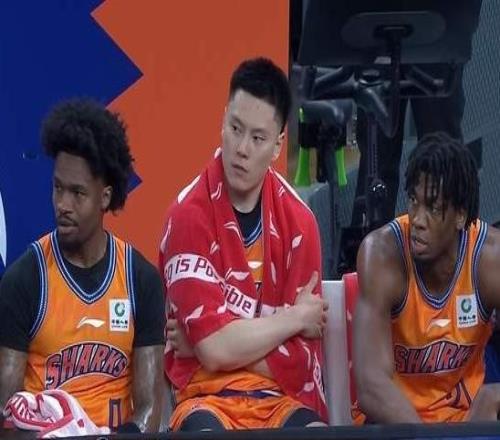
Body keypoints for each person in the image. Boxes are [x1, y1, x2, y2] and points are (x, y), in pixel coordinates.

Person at [159, 57, 328, 431]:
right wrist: (294, 319)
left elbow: (300, 360)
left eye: (258, 138)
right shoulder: (188, 216)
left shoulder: (301, 223)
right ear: (222, 120)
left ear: (278, 145)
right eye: (235, 128)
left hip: (280, 399)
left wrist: (214, 344)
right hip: (206, 399)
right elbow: (214, 351)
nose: (241, 149)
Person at [0, 99, 166, 433]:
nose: (63, 204)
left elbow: (149, 409)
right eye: (58, 188)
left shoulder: (140, 281)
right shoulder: (25, 279)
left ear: (105, 197)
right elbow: (6, 412)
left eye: (77, 193)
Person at [353, 132, 500, 423]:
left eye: (433, 208)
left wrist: (493, 395)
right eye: (413, 200)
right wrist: (426, 438)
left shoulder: (490, 259)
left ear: (460, 215)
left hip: (467, 421)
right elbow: (371, 386)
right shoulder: (382, 254)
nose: (418, 220)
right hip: (396, 423)